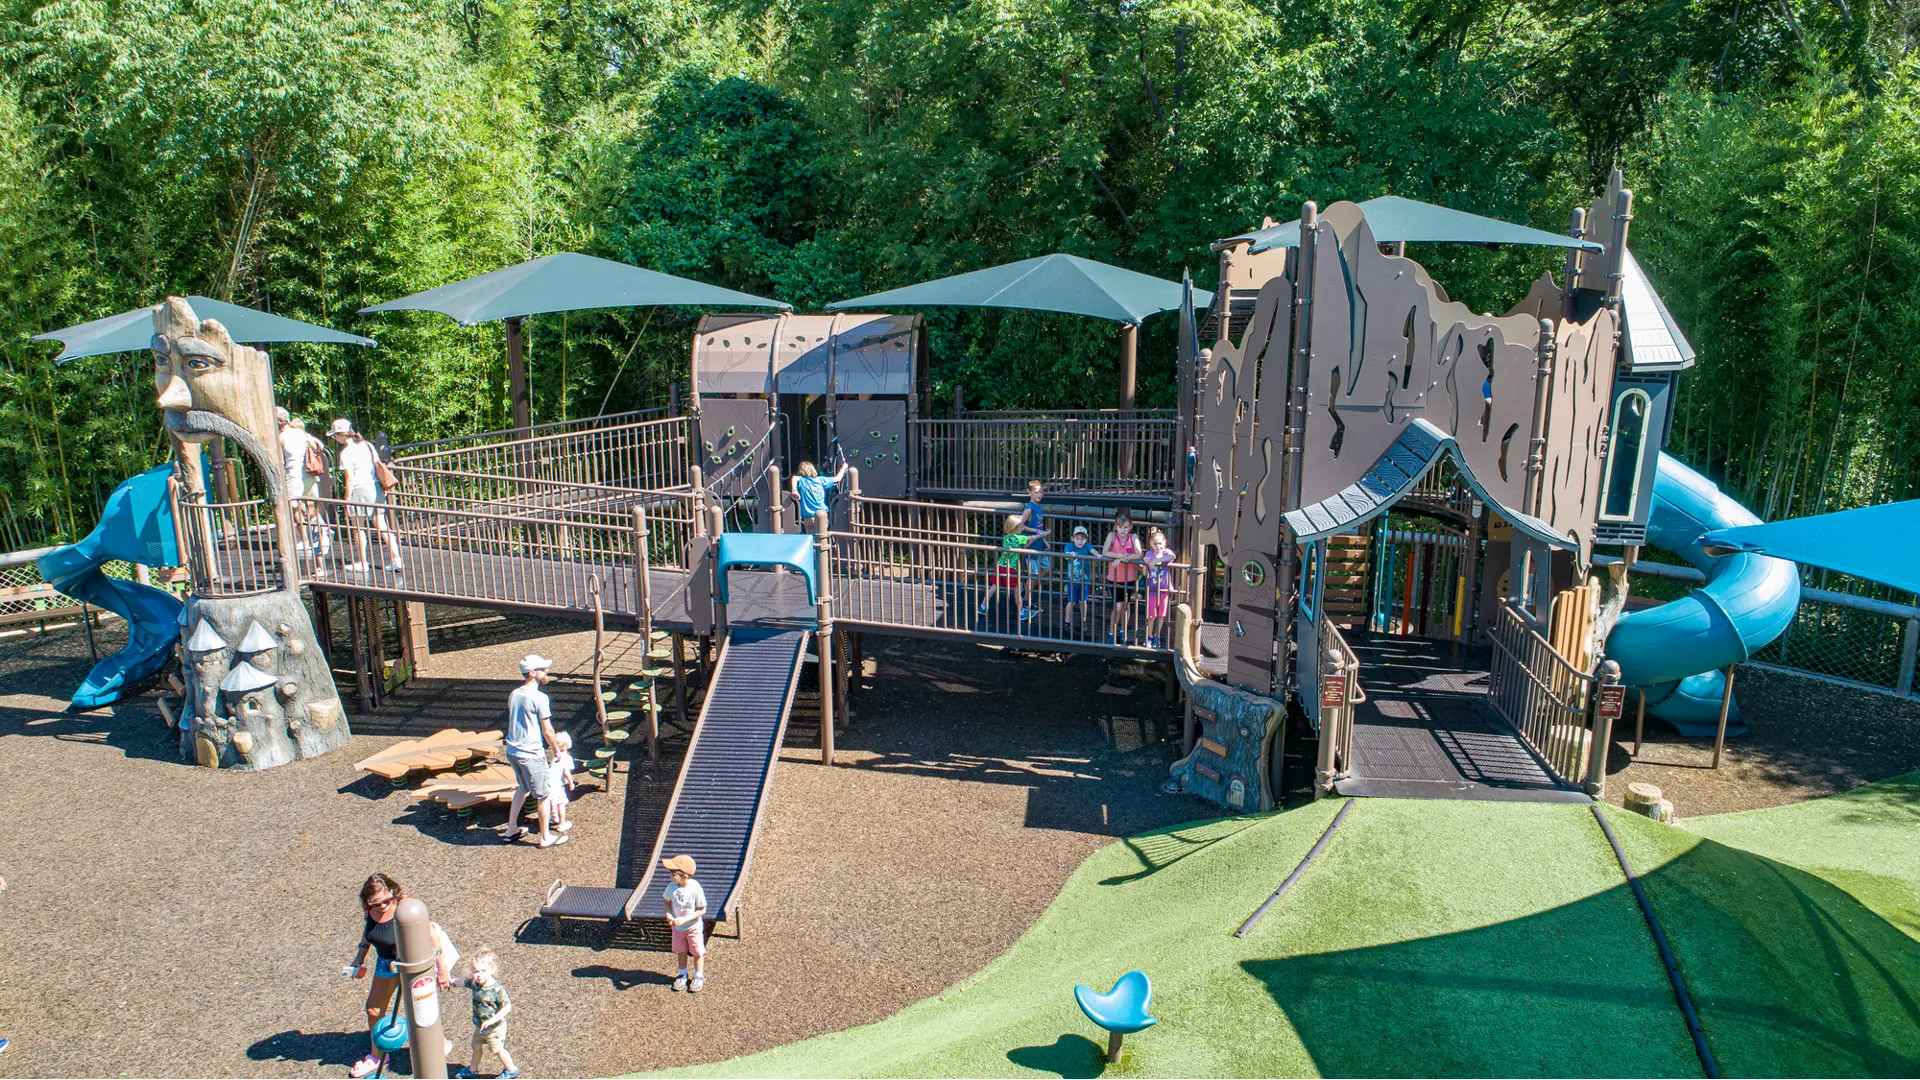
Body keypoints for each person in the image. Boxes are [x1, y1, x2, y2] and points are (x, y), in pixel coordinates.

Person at [345, 873, 454, 1079]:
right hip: (386, 962)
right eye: (376, 903)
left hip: (411, 963)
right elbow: (368, 934)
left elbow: (433, 938)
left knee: (418, 1009)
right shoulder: (370, 911)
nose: (383, 906)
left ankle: (438, 1045)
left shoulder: (406, 908)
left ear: (393, 892)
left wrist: (443, 970)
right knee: (373, 1009)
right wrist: (359, 958)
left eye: (386, 900)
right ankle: (377, 1056)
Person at [504, 655, 566, 848]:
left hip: (513, 750)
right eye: (543, 669)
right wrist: (556, 750)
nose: (547, 671)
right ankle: (545, 837)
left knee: (522, 788)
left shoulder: (514, 694)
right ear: (532, 673)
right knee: (544, 794)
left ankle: (511, 828)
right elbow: (548, 730)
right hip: (531, 753)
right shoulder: (540, 698)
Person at [329, 418, 403, 574]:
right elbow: (377, 465)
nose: (334, 439)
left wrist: (347, 500)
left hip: (359, 490)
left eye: (335, 435)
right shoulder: (367, 445)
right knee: (382, 525)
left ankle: (363, 562)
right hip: (375, 487)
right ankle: (397, 559)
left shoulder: (345, 453)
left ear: (341, 435)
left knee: (358, 528)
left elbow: (349, 478)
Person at [450, 948, 517, 1079]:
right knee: (476, 1046)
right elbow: (461, 982)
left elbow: (507, 1006)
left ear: (492, 970)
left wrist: (492, 1020)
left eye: (483, 971)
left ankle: (511, 1069)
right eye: (476, 971)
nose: (479, 975)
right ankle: (472, 1070)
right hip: (480, 1026)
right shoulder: (475, 984)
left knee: (498, 1049)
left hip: (494, 1028)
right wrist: (450, 981)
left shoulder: (496, 989)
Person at [660, 854, 708, 992]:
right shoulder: (671, 887)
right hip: (678, 928)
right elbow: (666, 903)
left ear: (685, 876)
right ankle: (682, 973)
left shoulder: (695, 888)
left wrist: (685, 919)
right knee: (680, 950)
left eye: (673, 873)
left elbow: (702, 909)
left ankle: (698, 975)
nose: (670, 875)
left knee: (697, 951)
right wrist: (669, 915)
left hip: (693, 927)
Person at [978, 513, 1034, 624]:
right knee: (1016, 589)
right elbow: (1033, 538)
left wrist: (1027, 543)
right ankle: (1022, 612)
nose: (1023, 528)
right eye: (1021, 526)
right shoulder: (1020, 537)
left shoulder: (1006, 538)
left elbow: (1019, 548)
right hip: (1010, 568)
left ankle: (982, 607)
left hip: (1000, 566)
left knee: (994, 586)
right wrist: (1041, 534)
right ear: (1015, 528)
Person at [1102, 510, 1142, 646]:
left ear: (1130, 527)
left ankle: (1123, 631)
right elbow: (1105, 551)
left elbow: (1139, 554)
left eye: (1125, 527)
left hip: (1129, 577)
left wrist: (1123, 558)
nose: (1123, 530)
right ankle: (1111, 633)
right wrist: (1120, 557)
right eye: (1120, 527)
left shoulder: (1133, 537)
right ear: (1116, 527)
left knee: (1126, 605)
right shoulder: (1111, 536)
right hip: (1115, 577)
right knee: (1117, 606)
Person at [1141, 527, 1178, 649]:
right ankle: (1149, 636)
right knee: (1151, 615)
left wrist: (1157, 560)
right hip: (1152, 589)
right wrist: (1147, 563)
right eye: (1155, 544)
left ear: (1165, 543)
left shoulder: (1166, 552)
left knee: (1161, 615)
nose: (1158, 546)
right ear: (1151, 544)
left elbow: (1172, 556)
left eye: (1160, 543)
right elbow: (1146, 562)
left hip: (1163, 589)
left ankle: (1157, 636)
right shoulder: (1149, 553)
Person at [791, 459, 850, 524]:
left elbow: (794, 478)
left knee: (810, 530)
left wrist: (794, 490)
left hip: (808, 516)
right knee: (823, 530)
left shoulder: (802, 481)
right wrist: (843, 467)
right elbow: (838, 478)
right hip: (822, 514)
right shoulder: (821, 480)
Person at [1062, 524, 1096, 631]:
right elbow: (1066, 556)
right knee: (1071, 602)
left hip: (1084, 580)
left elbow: (1093, 550)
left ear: (1086, 539)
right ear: (1073, 538)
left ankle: (1084, 620)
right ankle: (1067, 621)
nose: (1080, 541)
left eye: (1082, 539)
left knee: (1083, 601)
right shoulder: (1069, 546)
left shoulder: (1087, 546)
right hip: (1072, 580)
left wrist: (1097, 554)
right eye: (1077, 538)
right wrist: (1069, 554)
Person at [547, 731, 577, 835]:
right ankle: (561, 823)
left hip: (548, 783)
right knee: (561, 803)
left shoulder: (554, 757)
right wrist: (571, 783)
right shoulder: (567, 758)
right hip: (557, 785)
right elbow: (567, 772)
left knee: (552, 800)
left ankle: (554, 816)